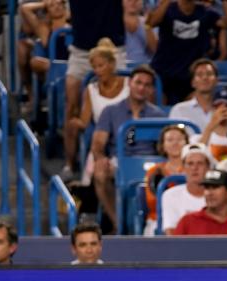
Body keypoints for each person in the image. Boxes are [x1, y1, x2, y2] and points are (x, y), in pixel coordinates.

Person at [90, 65, 165, 231]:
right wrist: (101, 158)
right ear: (129, 84)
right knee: (100, 173)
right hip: (119, 161)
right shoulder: (110, 111)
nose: (141, 88)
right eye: (138, 83)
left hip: (151, 163)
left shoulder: (158, 115)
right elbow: (97, 143)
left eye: (147, 85)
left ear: (151, 89)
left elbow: (163, 146)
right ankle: (118, 223)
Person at [64, 0, 127, 180]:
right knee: (71, 93)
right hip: (81, 51)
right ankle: (69, 163)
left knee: (131, 90)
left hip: (114, 48)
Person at [148, 0, 227, 105]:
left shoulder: (205, 13)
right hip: (163, 72)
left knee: (195, 106)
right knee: (155, 103)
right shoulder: (167, 9)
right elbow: (151, 23)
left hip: (190, 77)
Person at [173, 169, 227, 235]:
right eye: (207, 188)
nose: (209, 193)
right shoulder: (187, 222)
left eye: (215, 187)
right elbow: (174, 255)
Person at [168, 59, 227, 135]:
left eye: (209, 74)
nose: (205, 78)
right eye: (199, 75)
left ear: (216, 80)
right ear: (192, 82)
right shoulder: (179, 110)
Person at [143, 123, 190, 232]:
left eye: (179, 139)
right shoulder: (154, 171)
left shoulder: (194, 169)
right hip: (159, 219)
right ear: (163, 145)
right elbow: (152, 202)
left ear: (186, 143)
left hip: (189, 216)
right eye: (170, 140)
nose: (175, 143)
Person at [160, 142, 211, 235]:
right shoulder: (170, 195)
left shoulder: (218, 195)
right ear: (183, 168)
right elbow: (171, 233)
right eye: (190, 163)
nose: (195, 168)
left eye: (200, 163)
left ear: (208, 168)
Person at [123, 0, 156, 67]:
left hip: (143, 69)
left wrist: (147, 27)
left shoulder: (150, 22)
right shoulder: (112, 23)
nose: (133, 2)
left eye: (137, 0)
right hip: (119, 70)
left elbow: (156, 51)